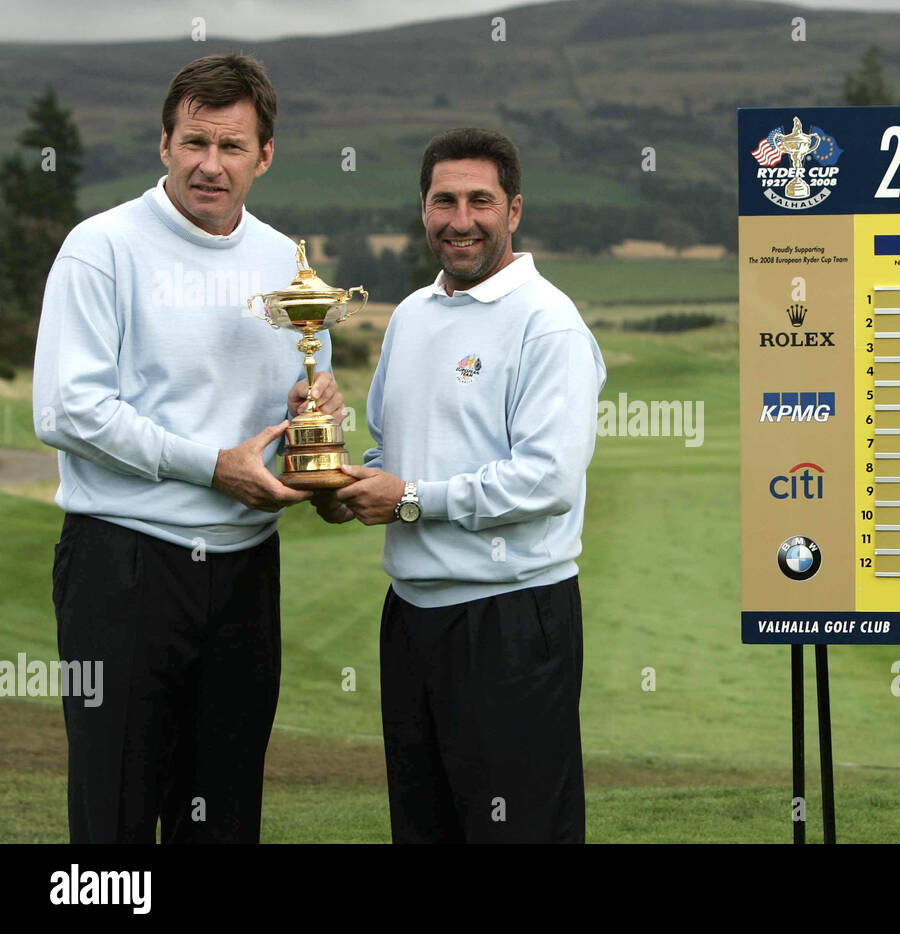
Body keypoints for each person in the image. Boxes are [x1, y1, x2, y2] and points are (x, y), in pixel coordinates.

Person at [32, 53, 343, 843]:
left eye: (232, 146)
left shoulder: (286, 262)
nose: (211, 165)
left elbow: (301, 393)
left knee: (225, 814)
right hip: (124, 565)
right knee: (115, 815)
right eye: (194, 142)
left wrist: (318, 410)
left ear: (264, 156)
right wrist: (210, 466)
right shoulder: (102, 247)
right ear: (164, 144)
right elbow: (68, 409)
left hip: (245, 574)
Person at [313, 127, 605, 843]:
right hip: (411, 618)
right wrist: (333, 475)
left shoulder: (547, 324)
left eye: (481, 200)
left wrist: (409, 498)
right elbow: (392, 454)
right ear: (423, 210)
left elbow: (546, 480)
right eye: (444, 200)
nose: (461, 219)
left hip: (508, 620)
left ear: (514, 211)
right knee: (424, 828)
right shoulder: (412, 315)